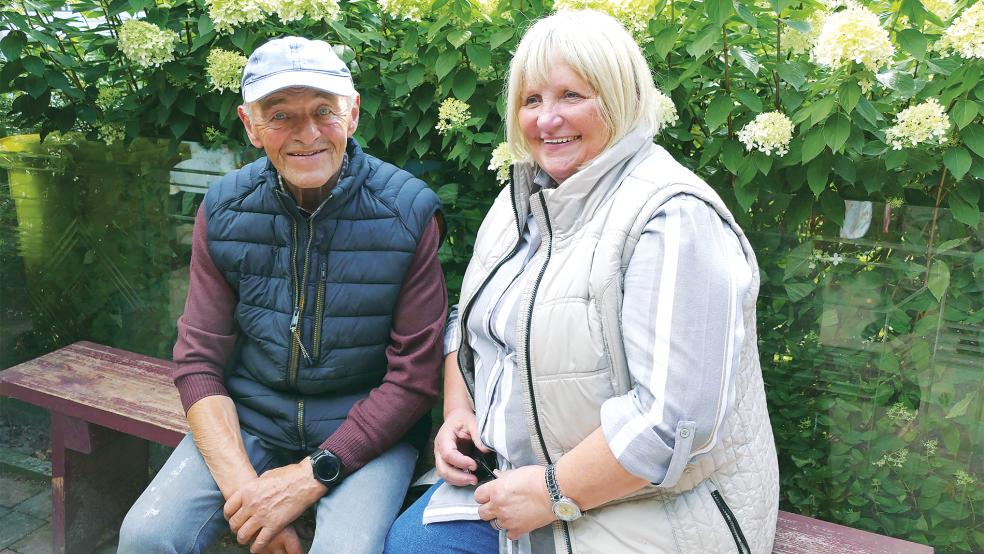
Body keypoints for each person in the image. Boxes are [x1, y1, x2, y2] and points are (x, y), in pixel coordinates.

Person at [385, 10, 779, 554]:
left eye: (572, 95)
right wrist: (460, 411)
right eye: (531, 100)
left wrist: (551, 491)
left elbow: (673, 424)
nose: (547, 120)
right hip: (514, 484)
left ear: (620, 97)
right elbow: (469, 325)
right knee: (408, 546)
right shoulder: (520, 199)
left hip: (653, 510)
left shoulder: (672, 216)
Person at [118, 36, 446, 554]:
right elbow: (198, 362)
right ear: (251, 127)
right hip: (252, 416)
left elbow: (414, 378)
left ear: (353, 113)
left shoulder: (408, 212)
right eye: (280, 115)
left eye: (324, 110)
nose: (307, 134)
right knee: (147, 536)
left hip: (364, 430)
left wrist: (310, 477)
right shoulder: (224, 208)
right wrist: (251, 500)